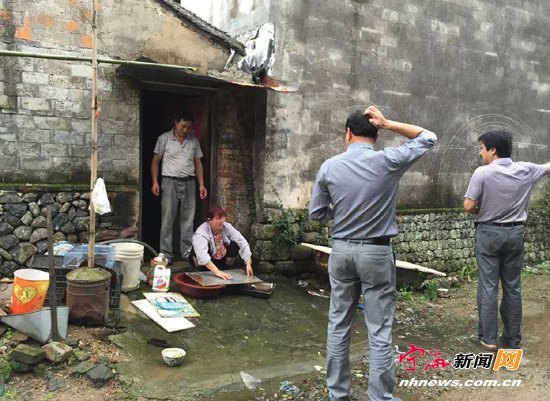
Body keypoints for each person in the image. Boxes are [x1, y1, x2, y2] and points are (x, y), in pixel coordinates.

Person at [309, 106, 437, 401]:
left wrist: (342, 212)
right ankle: (380, 397)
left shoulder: (329, 167)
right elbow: (428, 137)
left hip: (341, 251)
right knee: (379, 329)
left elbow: (317, 212)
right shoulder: (388, 161)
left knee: (338, 324)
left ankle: (337, 394)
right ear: (376, 136)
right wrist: (388, 123)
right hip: (376, 253)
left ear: (348, 134)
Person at [464, 131, 549, 351]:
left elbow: (468, 205)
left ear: (492, 150)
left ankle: (488, 339)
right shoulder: (526, 169)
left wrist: (482, 210)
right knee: (513, 287)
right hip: (515, 234)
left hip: (489, 234)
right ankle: (512, 339)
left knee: (488, 286)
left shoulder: (482, 173)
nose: (480, 152)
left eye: (482, 148)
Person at [151, 111, 207, 265]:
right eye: (183, 126)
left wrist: (201, 184)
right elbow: (155, 161)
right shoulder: (164, 139)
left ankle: (187, 253)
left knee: (188, 220)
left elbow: (198, 163)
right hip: (169, 182)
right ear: (176, 123)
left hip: (189, 182)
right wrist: (155, 182)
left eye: (188, 127)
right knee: (167, 219)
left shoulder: (193, 141)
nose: (185, 130)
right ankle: (166, 254)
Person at [191, 205, 253, 280]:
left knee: (235, 244)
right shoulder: (201, 233)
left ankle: (226, 268)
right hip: (205, 262)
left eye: (223, 217)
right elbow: (202, 256)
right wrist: (217, 272)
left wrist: (248, 263)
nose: (222, 221)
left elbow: (241, 241)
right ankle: (199, 270)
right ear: (209, 220)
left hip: (220, 258)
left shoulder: (226, 227)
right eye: (218, 218)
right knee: (196, 249)